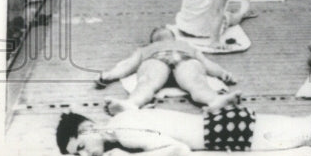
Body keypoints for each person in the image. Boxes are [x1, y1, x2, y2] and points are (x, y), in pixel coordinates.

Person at [56, 98, 311, 156]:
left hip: (223, 134)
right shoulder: (124, 116)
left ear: (87, 129)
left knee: (310, 134)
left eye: (79, 149)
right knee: (308, 124)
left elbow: (175, 150)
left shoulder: (123, 135)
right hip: (223, 123)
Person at [94, 28, 239, 114]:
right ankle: (131, 104)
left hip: (179, 58)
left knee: (196, 81)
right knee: (146, 82)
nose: (162, 31)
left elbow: (207, 63)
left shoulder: (186, 45)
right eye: (158, 32)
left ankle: (215, 101)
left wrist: (222, 73)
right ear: (152, 40)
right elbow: (128, 65)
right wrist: (109, 75)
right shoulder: (145, 49)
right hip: (158, 59)